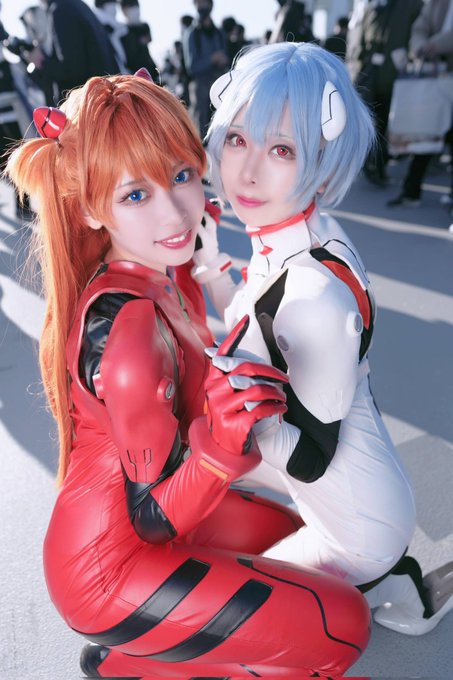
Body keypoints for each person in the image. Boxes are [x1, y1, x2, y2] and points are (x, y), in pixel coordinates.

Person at [5, 71, 371, 678]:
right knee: (343, 627)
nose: (176, 211)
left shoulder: (159, 271)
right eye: (135, 196)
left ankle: (141, 648)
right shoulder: (128, 333)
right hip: (108, 569)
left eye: (180, 176)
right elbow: (152, 518)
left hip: (157, 522)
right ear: (91, 210)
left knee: (302, 539)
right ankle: (134, 660)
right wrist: (223, 445)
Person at [203, 41, 453, 636]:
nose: (247, 171)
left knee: (229, 609)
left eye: (281, 149)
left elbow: (311, 459)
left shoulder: (314, 296)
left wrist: (231, 409)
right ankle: (401, 588)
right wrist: (209, 263)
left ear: (322, 154)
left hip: (354, 521)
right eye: (237, 138)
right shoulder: (297, 234)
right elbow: (251, 320)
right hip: (358, 487)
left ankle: (375, 584)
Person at [347, 0, 423, 187]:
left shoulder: (411, 6)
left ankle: (376, 165)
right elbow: (358, 38)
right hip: (372, 75)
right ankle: (373, 165)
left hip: (394, 76)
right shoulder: (370, 6)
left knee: (385, 124)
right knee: (374, 123)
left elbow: (415, 35)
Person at [387, 0, 453, 208]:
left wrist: (434, 44)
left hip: (443, 73)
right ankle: (411, 191)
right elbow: (420, 27)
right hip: (435, 76)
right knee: (425, 133)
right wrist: (419, 46)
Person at [22, 0, 119, 103]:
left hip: (92, 102)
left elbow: (72, 70)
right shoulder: (78, 5)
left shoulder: (61, 10)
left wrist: (41, 61)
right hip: (105, 98)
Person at [183, 0, 229, 137]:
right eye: (198, 3)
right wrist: (211, 59)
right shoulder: (192, 34)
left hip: (219, 83)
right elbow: (191, 67)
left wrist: (223, 60)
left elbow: (226, 57)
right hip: (201, 87)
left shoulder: (219, 33)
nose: (201, 6)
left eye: (204, 2)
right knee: (200, 127)